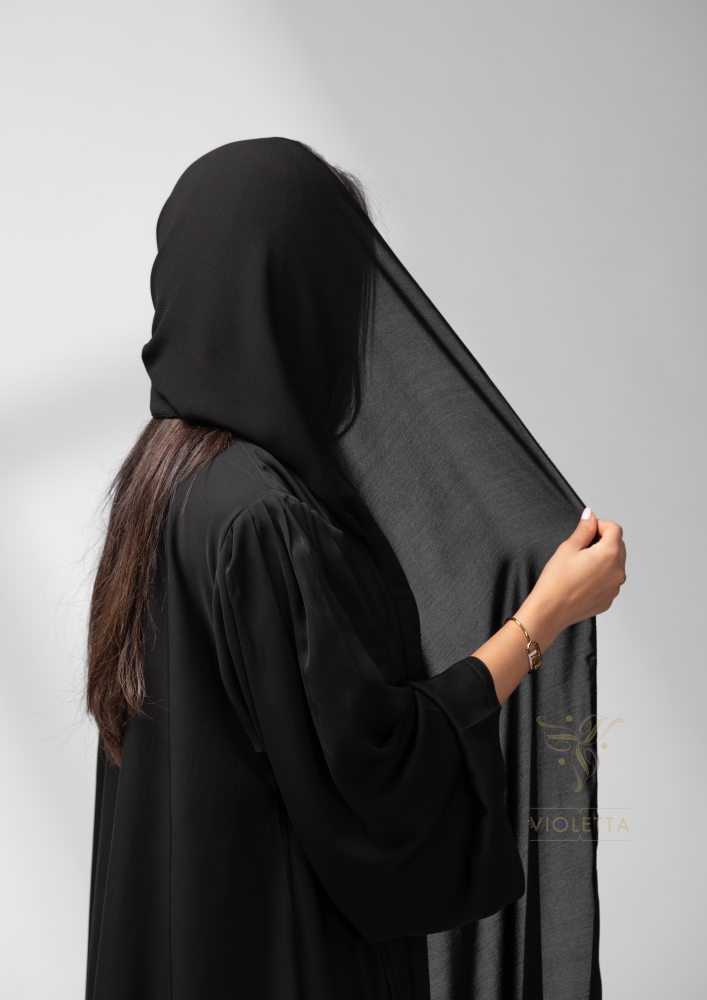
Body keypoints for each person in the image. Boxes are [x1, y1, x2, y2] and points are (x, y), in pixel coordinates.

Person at [85, 138, 625, 1000]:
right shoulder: (262, 516)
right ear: (297, 304)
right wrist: (541, 619)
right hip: (283, 963)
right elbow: (378, 773)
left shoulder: (158, 486)